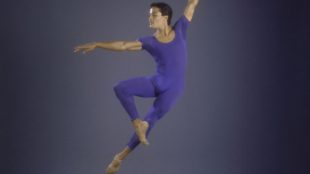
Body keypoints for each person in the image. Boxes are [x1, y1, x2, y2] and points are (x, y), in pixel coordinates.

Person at [73, 1, 199, 173]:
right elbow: (124, 46)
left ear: (165, 18)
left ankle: (118, 159)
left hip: (173, 90)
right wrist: (97, 44)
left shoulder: (181, 29)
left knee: (149, 124)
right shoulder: (150, 41)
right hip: (157, 82)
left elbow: (192, 3)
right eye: (149, 14)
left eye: (153, 14)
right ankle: (137, 122)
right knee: (120, 88)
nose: (149, 18)